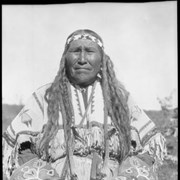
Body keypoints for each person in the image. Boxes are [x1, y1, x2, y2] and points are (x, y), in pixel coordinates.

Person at [3, 29, 167, 180]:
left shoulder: (121, 99)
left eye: (89, 51)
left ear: (102, 59)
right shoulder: (44, 97)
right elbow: (21, 149)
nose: (82, 59)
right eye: (75, 51)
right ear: (65, 59)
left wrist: (125, 176)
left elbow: (149, 149)